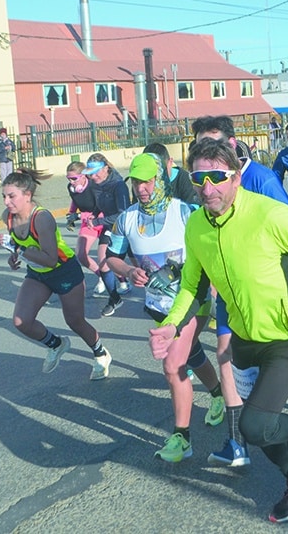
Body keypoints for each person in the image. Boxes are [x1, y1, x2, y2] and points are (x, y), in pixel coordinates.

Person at [150, 138, 288, 523]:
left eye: (217, 177)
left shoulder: (270, 215)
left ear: (236, 177)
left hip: (287, 337)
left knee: (256, 426)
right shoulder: (196, 225)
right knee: (259, 425)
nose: (207, 187)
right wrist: (171, 325)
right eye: (199, 177)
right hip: (242, 340)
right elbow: (192, 284)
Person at [104, 153, 224, 461]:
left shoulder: (185, 211)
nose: (141, 188)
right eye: (136, 182)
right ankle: (218, 395)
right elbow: (111, 257)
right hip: (158, 306)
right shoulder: (127, 219)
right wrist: (128, 271)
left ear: (160, 179)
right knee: (192, 354)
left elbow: (213, 246)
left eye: (147, 181)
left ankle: (182, 438)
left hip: (193, 303)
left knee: (173, 365)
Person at [0, 168, 112, 380]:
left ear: (27, 195)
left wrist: (20, 250)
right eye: (4, 196)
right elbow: (22, 247)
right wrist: (13, 255)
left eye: (11, 196)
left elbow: (50, 258)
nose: (6, 202)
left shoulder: (42, 218)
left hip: (64, 271)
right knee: (21, 321)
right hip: (38, 273)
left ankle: (100, 352)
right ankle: (56, 344)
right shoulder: (9, 217)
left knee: (75, 321)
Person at [83, 153, 131, 316]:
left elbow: (123, 214)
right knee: (103, 262)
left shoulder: (118, 185)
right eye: (90, 172)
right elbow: (99, 204)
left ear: (106, 168)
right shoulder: (94, 184)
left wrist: (97, 222)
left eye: (96, 172)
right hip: (110, 226)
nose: (92, 176)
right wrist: (95, 214)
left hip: (125, 227)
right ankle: (115, 298)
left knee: (140, 265)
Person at [64, 161, 106, 293]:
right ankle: (103, 277)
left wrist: (78, 216)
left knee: (105, 258)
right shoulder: (71, 188)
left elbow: (101, 210)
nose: (71, 182)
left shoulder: (94, 186)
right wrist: (71, 214)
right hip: (87, 223)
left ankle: (123, 281)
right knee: (81, 254)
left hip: (102, 221)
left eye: (74, 178)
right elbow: (75, 201)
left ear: (83, 176)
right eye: (68, 178)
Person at [144, 142, 197, 207]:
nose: (158, 176)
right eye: (152, 172)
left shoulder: (185, 179)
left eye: (162, 170)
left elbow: (194, 208)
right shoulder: (140, 184)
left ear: (170, 162)